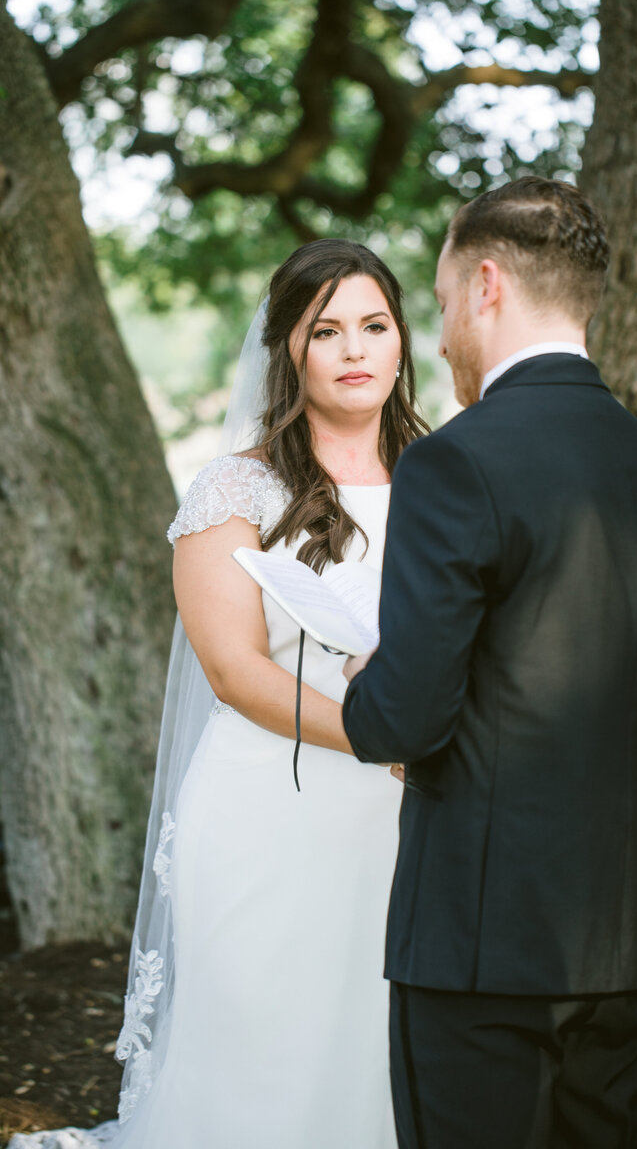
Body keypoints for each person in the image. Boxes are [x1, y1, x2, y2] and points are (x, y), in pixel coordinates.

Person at [11, 239, 427, 1149]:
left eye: (374, 325)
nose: (355, 350)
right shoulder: (237, 487)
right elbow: (235, 672)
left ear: (401, 343)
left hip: (407, 820)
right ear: (288, 348)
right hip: (268, 812)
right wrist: (378, 736)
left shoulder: (444, 475)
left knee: (376, 1060)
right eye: (327, 331)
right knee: (263, 1062)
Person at [342, 177, 637, 1149]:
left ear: (486, 286)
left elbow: (404, 716)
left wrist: (364, 688)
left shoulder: (453, 463)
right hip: (623, 942)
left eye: (439, 301)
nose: (441, 337)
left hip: (479, 951)